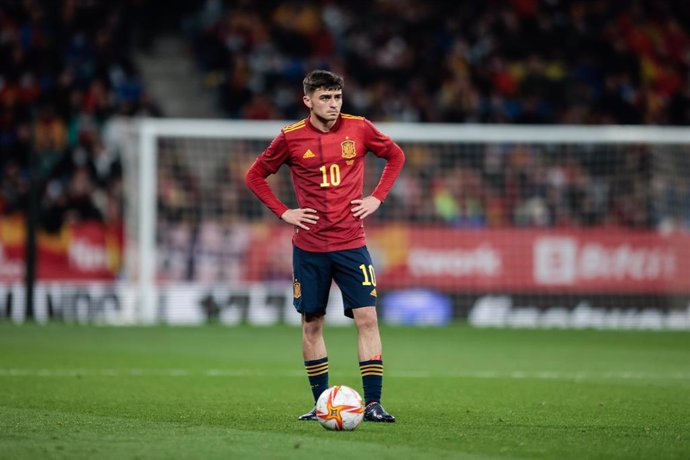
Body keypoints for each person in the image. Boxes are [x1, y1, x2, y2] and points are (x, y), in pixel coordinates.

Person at [245, 70, 405, 422]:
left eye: (337, 97)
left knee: (367, 318)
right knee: (312, 323)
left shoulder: (360, 128)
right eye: (325, 98)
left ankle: (374, 403)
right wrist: (283, 211)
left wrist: (378, 197)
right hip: (310, 247)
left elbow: (396, 156)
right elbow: (254, 175)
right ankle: (322, 405)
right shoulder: (290, 138)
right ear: (308, 100)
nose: (333, 104)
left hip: (352, 244)